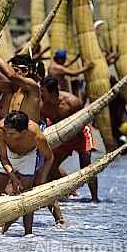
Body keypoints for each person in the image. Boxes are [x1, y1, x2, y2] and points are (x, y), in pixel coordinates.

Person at [40, 77, 98, 223]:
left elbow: (84, 120)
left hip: (80, 134)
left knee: (87, 167)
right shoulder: (42, 106)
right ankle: (71, 191)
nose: (40, 94)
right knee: (51, 167)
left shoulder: (72, 102)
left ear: (53, 92)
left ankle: (95, 200)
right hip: (61, 136)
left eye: (43, 91)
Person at [0, 110, 54, 235]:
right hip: (9, 155)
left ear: (23, 132)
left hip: (28, 157)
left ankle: (28, 234)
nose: (7, 135)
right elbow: (3, 158)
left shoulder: (36, 135)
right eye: (6, 130)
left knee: (26, 196)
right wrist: (13, 177)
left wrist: (42, 178)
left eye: (11, 133)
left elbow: (49, 157)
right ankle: (2, 229)